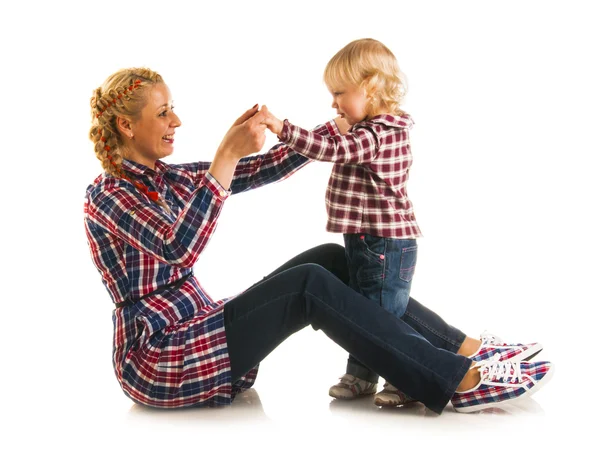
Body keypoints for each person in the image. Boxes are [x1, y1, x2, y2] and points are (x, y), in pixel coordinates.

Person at [84, 67, 553, 415]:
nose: (177, 120)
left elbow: (261, 168)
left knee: (331, 259)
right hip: (159, 355)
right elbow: (176, 248)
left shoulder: (166, 179)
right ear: (127, 126)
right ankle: (454, 381)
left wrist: (338, 129)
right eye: (164, 112)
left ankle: (466, 349)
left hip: (197, 326)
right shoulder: (106, 197)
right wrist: (224, 155)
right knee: (308, 285)